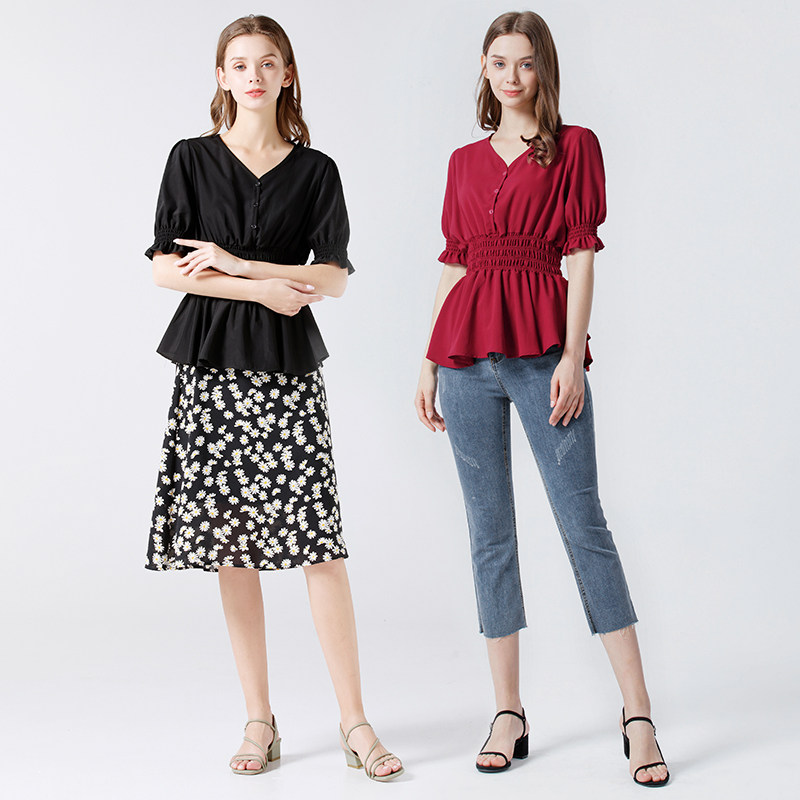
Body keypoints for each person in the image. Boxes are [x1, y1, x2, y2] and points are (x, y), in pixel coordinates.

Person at [144, 14, 402, 782]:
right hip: (213, 369)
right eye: (239, 63)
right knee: (234, 548)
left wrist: (238, 263)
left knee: (319, 544)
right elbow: (164, 269)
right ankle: (259, 718)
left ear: (287, 74)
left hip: (287, 372)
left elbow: (334, 279)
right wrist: (260, 287)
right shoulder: (190, 159)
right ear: (221, 76)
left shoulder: (316, 171)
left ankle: (355, 721)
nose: (252, 76)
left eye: (266, 63)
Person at [414, 10, 669, 787]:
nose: (512, 77)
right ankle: (508, 711)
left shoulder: (574, 146)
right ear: (484, 69)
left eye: (525, 63)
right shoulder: (462, 162)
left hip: (541, 356)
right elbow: (455, 263)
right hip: (464, 359)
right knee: (489, 535)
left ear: (543, 70)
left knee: (582, 524)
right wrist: (426, 361)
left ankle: (637, 713)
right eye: (499, 63)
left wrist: (571, 355)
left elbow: (582, 256)